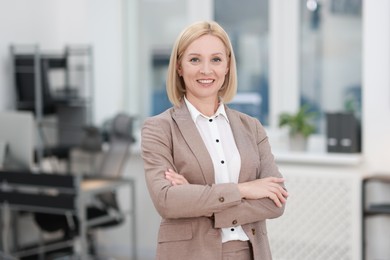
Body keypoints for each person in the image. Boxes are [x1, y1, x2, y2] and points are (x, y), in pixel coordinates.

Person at [141, 20, 288, 260]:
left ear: (228, 66)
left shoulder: (252, 127)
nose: (206, 70)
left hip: (250, 253)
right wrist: (244, 190)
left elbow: (275, 202)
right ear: (179, 67)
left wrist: (195, 197)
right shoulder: (159, 129)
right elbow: (167, 200)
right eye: (195, 59)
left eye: (216, 60)